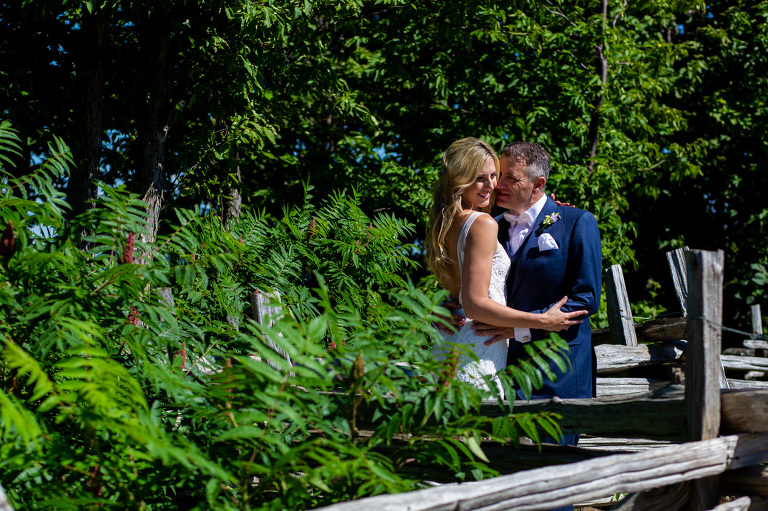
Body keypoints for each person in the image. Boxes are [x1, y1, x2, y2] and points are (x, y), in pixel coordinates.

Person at [425, 138, 588, 399]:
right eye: (481, 178)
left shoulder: (444, 223)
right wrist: (543, 321)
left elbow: (584, 298)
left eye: (498, 176)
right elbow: (474, 302)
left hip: (459, 343)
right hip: (479, 345)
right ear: (461, 179)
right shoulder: (487, 224)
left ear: (538, 185)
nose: (494, 185)